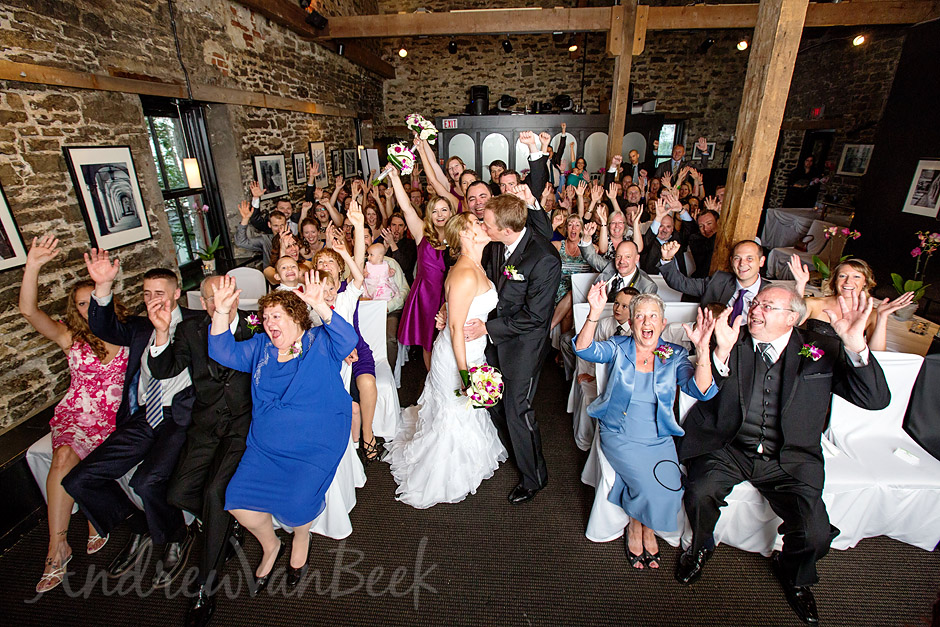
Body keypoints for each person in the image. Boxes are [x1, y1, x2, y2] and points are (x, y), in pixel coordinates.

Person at [675, 286, 891, 625]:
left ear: (792, 318)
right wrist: (718, 352)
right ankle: (700, 546)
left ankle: (794, 574)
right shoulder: (732, 338)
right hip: (730, 448)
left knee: (816, 533)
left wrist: (855, 345)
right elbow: (704, 389)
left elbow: (875, 399)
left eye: (768, 306)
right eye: (756, 303)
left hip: (790, 459)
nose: (755, 310)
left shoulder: (821, 348)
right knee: (699, 491)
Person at [208, 275, 357, 594]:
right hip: (265, 448)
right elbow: (222, 351)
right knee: (238, 502)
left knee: (298, 504)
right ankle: (271, 544)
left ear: (297, 318)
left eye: (276, 316)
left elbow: (348, 339)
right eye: (265, 318)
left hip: (315, 444)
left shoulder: (320, 341)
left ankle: (301, 537)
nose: (269, 323)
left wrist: (320, 305)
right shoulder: (260, 346)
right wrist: (220, 312)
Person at [62, 252, 201, 588]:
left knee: (146, 481)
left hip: (180, 418)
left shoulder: (200, 323)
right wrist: (103, 286)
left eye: (159, 293)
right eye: (146, 293)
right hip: (143, 416)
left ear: (177, 293)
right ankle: (139, 525)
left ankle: (176, 536)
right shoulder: (140, 327)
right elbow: (103, 326)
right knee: (78, 480)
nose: (152, 300)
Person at [575, 287, 717, 569]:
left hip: (658, 436)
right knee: (643, 481)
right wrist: (594, 313)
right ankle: (638, 526)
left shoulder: (674, 354)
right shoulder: (618, 346)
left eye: (653, 316)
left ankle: (644, 524)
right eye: (640, 316)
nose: (646, 321)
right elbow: (584, 349)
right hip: (619, 432)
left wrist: (702, 350)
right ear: (631, 322)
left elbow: (702, 391)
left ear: (663, 323)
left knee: (672, 488)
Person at [19, 236, 129, 593]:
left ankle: (94, 511)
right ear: (75, 309)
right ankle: (57, 546)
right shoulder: (69, 337)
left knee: (84, 459)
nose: (87, 308)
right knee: (64, 455)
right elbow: (29, 312)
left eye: (93, 299)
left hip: (114, 417)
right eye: (81, 304)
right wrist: (33, 266)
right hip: (76, 415)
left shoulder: (128, 333)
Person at [147, 275, 255, 626]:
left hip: (244, 426)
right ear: (203, 303)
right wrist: (161, 332)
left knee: (214, 495)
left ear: (236, 297)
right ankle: (229, 524)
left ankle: (204, 589)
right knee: (177, 493)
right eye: (210, 298)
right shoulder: (189, 330)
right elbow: (165, 369)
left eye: (223, 296)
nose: (216, 304)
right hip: (205, 426)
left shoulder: (257, 324)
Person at [384, 213, 508, 508]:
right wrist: (466, 377)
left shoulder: (473, 265)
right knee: (453, 411)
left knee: (462, 411)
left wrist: (444, 310)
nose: (483, 225)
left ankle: (469, 460)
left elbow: (456, 304)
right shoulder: (464, 272)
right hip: (456, 357)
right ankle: (444, 473)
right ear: (464, 234)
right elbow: (455, 330)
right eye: (477, 223)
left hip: (472, 349)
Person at [464, 193, 562, 504]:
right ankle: (512, 447)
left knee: (518, 410)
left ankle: (534, 478)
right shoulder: (496, 242)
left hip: (524, 345)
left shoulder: (545, 258)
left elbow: (535, 317)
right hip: (494, 339)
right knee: (490, 398)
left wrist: (487, 328)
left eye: (487, 224)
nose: (483, 226)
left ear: (507, 230)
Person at [388, 167, 451, 370]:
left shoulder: (458, 237)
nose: (439, 215)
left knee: (449, 342)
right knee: (428, 343)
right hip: (425, 297)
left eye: (444, 210)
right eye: (435, 211)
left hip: (449, 296)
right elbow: (406, 208)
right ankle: (432, 380)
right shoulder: (421, 232)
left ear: (451, 212)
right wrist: (395, 178)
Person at [788, 255, 915, 351]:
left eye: (856, 277)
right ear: (835, 280)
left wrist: (882, 317)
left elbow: (877, 353)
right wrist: (800, 284)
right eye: (842, 276)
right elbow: (788, 325)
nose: (848, 281)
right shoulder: (814, 303)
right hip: (808, 366)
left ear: (865, 282)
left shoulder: (870, 314)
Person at [659, 239, 771, 322]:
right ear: (731, 261)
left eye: (749, 258)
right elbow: (681, 283)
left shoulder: (771, 292)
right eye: (737, 258)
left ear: (761, 261)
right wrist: (667, 259)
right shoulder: (718, 281)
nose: (742, 264)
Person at [579, 236, 657, 301]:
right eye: (618, 256)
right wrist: (586, 237)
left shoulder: (647, 286)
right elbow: (591, 257)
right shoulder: (610, 266)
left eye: (628, 257)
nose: (622, 261)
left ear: (636, 259)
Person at [381, 212, 417, 284]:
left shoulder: (411, 244)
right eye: (394, 225)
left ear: (405, 228)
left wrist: (392, 244)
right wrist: (384, 250)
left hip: (404, 284)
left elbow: (404, 267)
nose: (396, 229)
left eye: (400, 225)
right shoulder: (381, 242)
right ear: (389, 227)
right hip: (384, 284)